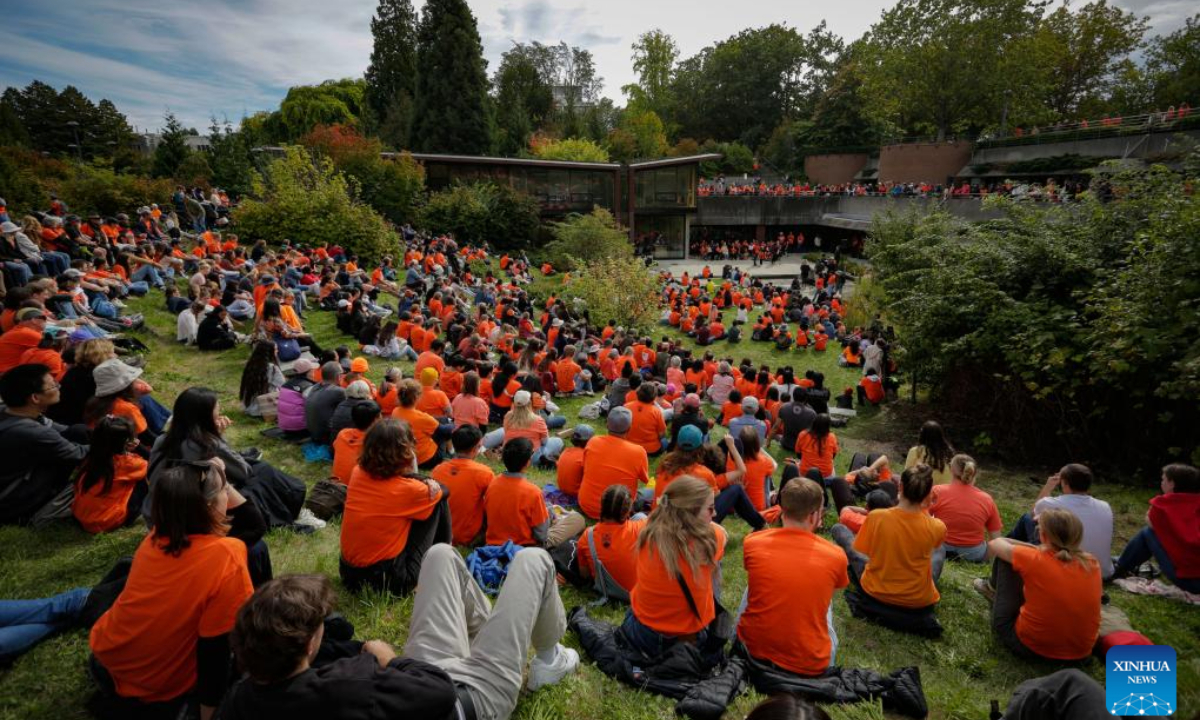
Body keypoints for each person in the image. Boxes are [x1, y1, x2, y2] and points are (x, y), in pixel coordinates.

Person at [222, 553, 579, 720]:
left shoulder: (240, 701)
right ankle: (548, 659)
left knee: (440, 555)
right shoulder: (349, 687)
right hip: (463, 698)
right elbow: (438, 691)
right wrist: (386, 658)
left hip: (420, 678)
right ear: (310, 643)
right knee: (533, 560)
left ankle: (489, 640)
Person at [88, 461, 255, 719]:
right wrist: (209, 713)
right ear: (209, 506)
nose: (228, 495)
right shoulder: (226, 555)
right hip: (159, 688)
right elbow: (216, 652)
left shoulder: (154, 538)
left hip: (107, 661)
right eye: (225, 490)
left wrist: (216, 479)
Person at [737, 477, 848, 678]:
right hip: (810, 663)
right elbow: (836, 587)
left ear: (781, 507)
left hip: (751, 652)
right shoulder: (836, 555)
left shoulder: (752, 542)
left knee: (756, 583)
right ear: (814, 516)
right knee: (822, 594)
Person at [338, 419, 451, 596]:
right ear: (406, 451)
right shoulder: (411, 490)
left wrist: (421, 480)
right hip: (387, 582)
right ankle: (444, 557)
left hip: (349, 574)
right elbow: (444, 491)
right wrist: (427, 480)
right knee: (436, 501)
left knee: (426, 500)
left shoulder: (358, 472)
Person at [621, 476, 727, 662]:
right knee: (715, 563)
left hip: (643, 634)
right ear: (690, 512)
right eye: (710, 509)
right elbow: (723, 533)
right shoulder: (712, 539)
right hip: (688, 641)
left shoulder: (647, 530)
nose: (715, 513)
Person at [976, 509, 1101, 661]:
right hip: (1081, 653)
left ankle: (992, 589)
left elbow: (996, 543)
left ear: (1043, 536)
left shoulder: (1034, 558)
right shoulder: (1092, 563)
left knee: (1006, 559)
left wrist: (1037, 548)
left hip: (1031, 647)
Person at [833, 464, 946, 613]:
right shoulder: (937, 526)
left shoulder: (876, 516)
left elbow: (863, 553)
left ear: (900, 487)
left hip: (876, 592)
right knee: (940, 549)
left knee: (840, 530)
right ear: (928, 494)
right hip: (918, 600)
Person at [0, 363, 88, 525]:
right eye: (53, 385)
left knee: (78, 431)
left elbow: (63, 429)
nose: (58, 386)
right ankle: (38, 508)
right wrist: (112, 441)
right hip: (11, 500)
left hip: (8, 480)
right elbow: (78, 453)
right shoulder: (31, 432)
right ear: (35, 398)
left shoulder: (8, 410)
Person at [1009, 463, 1114, 580]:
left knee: (1027, 518)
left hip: (1068, 571)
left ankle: (1007, 551)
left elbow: (1034, 512)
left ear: (1064, 483)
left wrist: (1048, 486)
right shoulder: (1105, 506)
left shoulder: (1051, 504)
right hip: (1102, 572)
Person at [1113, 463, 1200, 593]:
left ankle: (1120, 566)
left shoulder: (1163, 504)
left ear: (1172, 483)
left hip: (1191, 583)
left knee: (1147, 533)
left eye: (1163, 479)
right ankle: (1122, 562)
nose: (1162, 483)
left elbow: (1150, 522)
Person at [484, 438, 584, 548]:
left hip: (494, 541)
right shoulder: (532, 492)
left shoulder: (493, 482)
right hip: (525, 546)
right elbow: (541, 536)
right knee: (578, 519)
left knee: (550, 508)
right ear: (527, 462)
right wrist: (548, 516)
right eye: (532, 453)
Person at [72, 415, 148, 533]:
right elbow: (152, 464)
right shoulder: (127, 464)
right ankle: (139, 513)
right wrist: (138, 447)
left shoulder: (92, 456)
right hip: (105, 522)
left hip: (81, 516)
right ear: (126, 441)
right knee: (142, 481)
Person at [578, 407, 650, 519]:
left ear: (607, 424)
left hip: (586, 505)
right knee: (651, 491)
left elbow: (584, 467)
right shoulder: (639, 452)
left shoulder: (593, 441)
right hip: (616, 513)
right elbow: (645, 479)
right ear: (629, 428)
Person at [927, 454, 1002, 562]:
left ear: (951, 470)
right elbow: (996, 537)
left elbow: (919, 518)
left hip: (941, 548)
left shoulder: (937, 491)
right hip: (974, 554)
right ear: (974, 473)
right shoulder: (987, 499)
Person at [577, 485, 646, 602]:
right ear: (627, 511)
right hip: (639, 592)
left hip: (605, 590)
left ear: (602, 506)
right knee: (641, 516)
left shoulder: (587, 536)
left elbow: (584, 574)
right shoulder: (641, 527)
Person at [430, 425, 494, 546]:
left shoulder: (438, 470)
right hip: (468, 536)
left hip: (441, 535)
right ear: (476, 448)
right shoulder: (484, 473)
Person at [481, 390, 564, 467]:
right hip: (531, 458)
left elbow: (506, 432)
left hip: (509, 455)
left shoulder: (508, 416)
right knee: (558, 441)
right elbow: (544, 442)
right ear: (529, 403)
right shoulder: (538, 419)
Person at [391, 379, 453, 470]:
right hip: (428, 459)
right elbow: (445, 432)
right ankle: (451, 452)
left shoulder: (395, 411)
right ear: (417, 398)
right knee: (445, 427)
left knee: (442, 420)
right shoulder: (422, 417)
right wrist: (455, 424)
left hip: (408, 456)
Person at [330, 401, 380, 485]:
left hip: (336, 484)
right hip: (356, 488)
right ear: (375, 420)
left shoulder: (343, 434)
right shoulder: (376, 441)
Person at [238, 341, 285, 419]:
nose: (277, 351)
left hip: (250, 408)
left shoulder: (250, 365)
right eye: (276, 349)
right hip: (266, 407)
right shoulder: (272, 367)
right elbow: (283, 385)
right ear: (270, 352)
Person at [305, 362, 346, 447]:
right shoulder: (339, 391)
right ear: (338, 376)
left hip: (313, 434)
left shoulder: (315, 387)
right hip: (327, 439)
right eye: (342, 374)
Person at [904, 421, 954, 485]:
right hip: (946, 489)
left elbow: (906, 474)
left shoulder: (916, 451)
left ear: (922, 435)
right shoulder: (949, 452)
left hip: (923, 490)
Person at [624, 383, 667, 456]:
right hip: (651, 450)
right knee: (665, 442)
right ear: (653, 397)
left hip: (629, 445)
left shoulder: (626, 407)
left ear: (638, 393)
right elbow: (662, 434)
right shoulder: (656, 412)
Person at [554, 424, 592, 501]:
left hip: (561, 488)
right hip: (576, 493)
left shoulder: (565, 451)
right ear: (589, 441)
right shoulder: (585, 456)